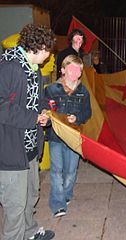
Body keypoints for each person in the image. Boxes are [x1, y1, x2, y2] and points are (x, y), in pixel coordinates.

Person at [0, 24, 56, 240]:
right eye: (48, 50)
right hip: (11, 149)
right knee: (15, 205)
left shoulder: (34, 68)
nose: (49, 55)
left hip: (29, 146)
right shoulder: (9, 67)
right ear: (39, 47)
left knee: (30, 195)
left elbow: (36, 98)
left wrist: (45, 108)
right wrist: (32, 118)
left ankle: (30, 233)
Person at [45, 55, 92, 218]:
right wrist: (47, 119)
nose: (75, 73)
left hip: (73, 136)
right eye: (71, 69)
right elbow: (46, 110)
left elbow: (87, 113)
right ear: (63, 70)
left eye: (78, 70)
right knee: (57, 170)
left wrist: (77, 118)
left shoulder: (83, 91)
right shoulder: (51, 89)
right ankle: (58, 203)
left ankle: (66, 194)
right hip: (56, 136)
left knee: (71, 171)